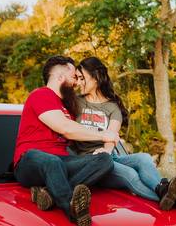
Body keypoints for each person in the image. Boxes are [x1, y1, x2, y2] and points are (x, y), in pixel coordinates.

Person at [73, 56, 176, 213]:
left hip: (109, 156)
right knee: (130, 173)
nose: (78, 82)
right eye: (77, 78)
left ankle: (164, 190)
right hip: (90, 163)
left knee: (143, 157)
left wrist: (106, 150)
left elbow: (112, 134)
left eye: (82, 78)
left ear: (95, 77)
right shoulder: (75, 102)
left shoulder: (112, 106)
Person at [13, 56, 120, 226]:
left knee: (105, 160)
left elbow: (78, 131)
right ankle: (73, 211)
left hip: (61, 162)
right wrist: (103, 135)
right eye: (73, 77)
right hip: (30, 161)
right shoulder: (40, 95)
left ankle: (49, 194)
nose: (76, 82)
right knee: (52, 161)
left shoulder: (67, 106)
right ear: (60, 77)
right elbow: (65, 128)